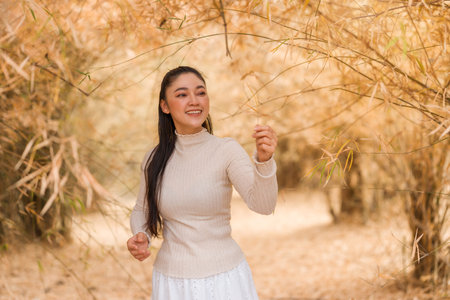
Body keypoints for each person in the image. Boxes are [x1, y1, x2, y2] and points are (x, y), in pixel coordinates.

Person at [127, 66, 278, 299]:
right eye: (182, 94)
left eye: (201, 92)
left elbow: (264, 205)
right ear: (164, 106)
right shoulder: (153, 159)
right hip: (171, 282)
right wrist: (141, 235)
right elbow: (141, 210)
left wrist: (265, 161)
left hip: (225, 280)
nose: (194, 101)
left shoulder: (226, 150)